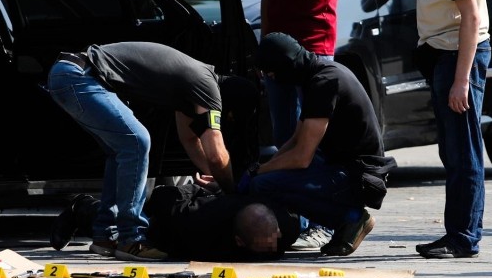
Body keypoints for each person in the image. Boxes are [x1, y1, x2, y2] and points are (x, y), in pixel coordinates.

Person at [46, 42, 243, 261]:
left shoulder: (192, 84)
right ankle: (131, 239)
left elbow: (189, 140)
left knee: (119, 150)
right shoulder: (208, 86)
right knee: (137, 142)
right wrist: (233, 191)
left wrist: (214, 177)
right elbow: (216, 154)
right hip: (80, 75)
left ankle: (104, 235)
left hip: (72, 73)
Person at [384, 0, 491, 259]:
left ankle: (464, 238)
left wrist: (462, 80)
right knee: (451, 151)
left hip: (458, 57)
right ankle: (455, 232)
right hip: (440, 55)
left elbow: (472, 18)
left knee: (464, 152)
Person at [259, 0, 350, 250]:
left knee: (309, 138)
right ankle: (294, 217)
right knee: (283, 138)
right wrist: (264, 40)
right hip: (277, 50)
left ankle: (324, 221)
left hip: (312, 46)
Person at [241, 32, 396, 257]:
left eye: (271, 73)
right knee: (266, 178)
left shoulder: (325, 82)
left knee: (264, 185)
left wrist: (257, 173)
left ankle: (351, 219)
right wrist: (261, 167)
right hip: (345, 167)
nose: (271, 79)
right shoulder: (317, 75)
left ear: (285, 64)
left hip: (358, 176)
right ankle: (343, 219)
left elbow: (301, 157)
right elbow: (295, 140)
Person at [49, 184, 301, 261]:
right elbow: (165, 199)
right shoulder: (196, 227)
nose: (274, 248)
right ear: (237, 240)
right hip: (175, 209)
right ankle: (82, 207)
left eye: (274, 241)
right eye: (264, 246)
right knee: (138, 225)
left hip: (217, 205)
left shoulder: (286, 227)